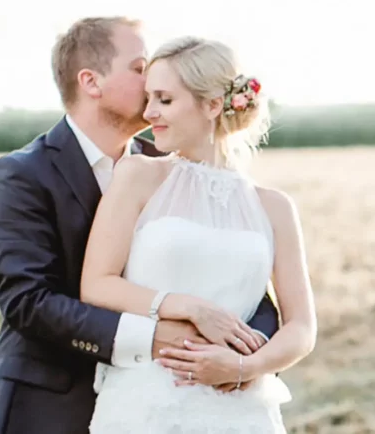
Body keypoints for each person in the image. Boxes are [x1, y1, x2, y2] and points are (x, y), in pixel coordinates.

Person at [0, 18, 283, 434]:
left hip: (191, 398)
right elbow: (28, 302)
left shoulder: (173, 167)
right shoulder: (22, 174)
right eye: (140, 69)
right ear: (91, 81)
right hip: (52, 404)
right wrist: (156, 337)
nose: (152, 80)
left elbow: (240, 282)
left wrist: (246, 358)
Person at [83, 35, 317, 433]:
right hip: (146, 404)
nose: (150, 112)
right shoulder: (139, 176)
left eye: (165, 99)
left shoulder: (274, 207)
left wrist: (246, 367)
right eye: (149, 98)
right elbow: (96, 285)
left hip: (241, 411)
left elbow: (301, 327)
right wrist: (190, 307)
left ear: (212, 105)